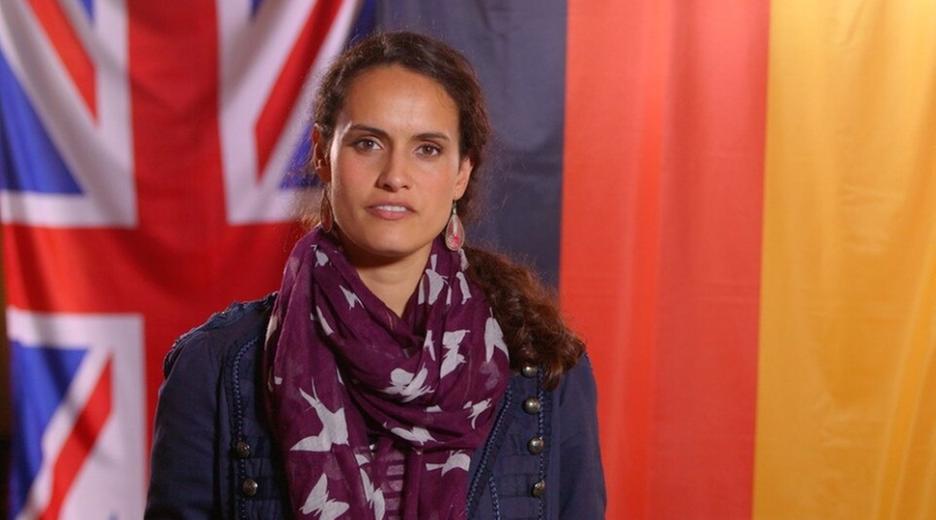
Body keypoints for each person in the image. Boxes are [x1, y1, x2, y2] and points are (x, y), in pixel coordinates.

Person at [146, 31, 605, 520]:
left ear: (461, 172)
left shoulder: (544, 368)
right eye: (367, 143)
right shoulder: (216, 367)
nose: (394, 175)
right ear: (322, 154)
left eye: (427, 149)